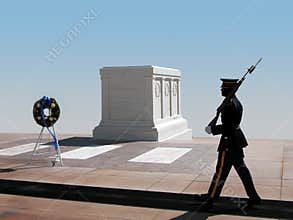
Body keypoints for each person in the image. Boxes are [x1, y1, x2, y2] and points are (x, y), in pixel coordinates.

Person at [199, 78, 261, 211]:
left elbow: (228, 126)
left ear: (228, 89)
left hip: (229, 142)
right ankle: (254, 198)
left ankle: (210, 200)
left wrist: (213, 129)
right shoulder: (235, 102)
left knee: (221, 172)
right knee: (241, 171)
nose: (221, 89)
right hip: (236, 141)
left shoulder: (229, 105)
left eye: (223, 88)